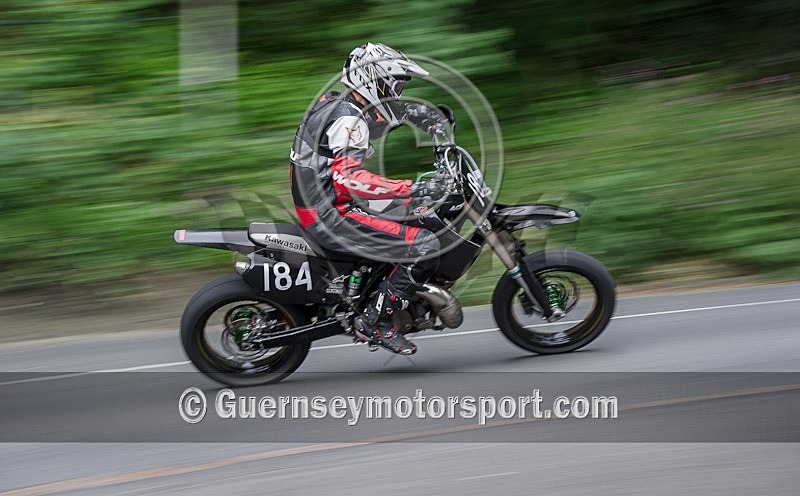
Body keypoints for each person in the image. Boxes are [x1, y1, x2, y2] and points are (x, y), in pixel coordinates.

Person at [289, 42, 447, 355]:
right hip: (331, 213)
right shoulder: (350, 121)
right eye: (396, 85)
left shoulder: (336, 102)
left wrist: (423, 116)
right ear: (374, 80)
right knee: (425, 245)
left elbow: (378, 120)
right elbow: (350, 178)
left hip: (321, 202)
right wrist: (412, 189)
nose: (398, 92)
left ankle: (376, 293)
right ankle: (376, 320)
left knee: (412, 214)